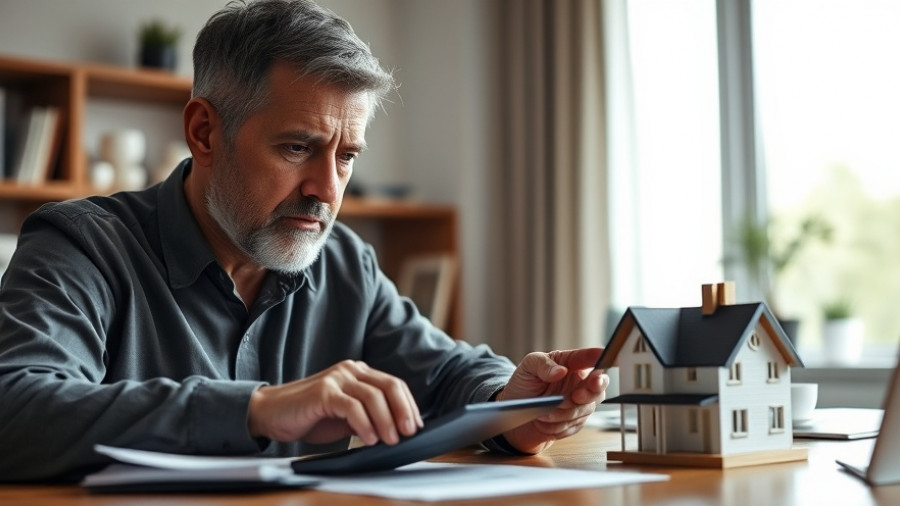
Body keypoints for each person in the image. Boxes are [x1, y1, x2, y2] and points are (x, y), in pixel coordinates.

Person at [0, 0, 609, 482]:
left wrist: (515, 409)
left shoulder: (343, 261)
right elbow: (16, 409)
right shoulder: (79, 245)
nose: (326, 190)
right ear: (205, 132)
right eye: (297, 148)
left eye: (346, 157)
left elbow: (448, 374)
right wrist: (256, 408)